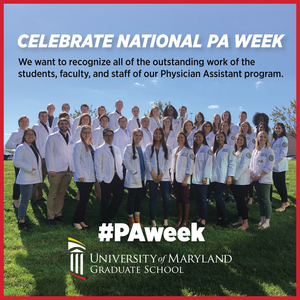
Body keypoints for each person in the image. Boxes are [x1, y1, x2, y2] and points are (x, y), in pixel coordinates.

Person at [45, 118, 74, 225]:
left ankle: (58, 214)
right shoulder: (52, 137)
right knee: (53, 193)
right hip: (56, 170)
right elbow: (48, 154)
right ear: (58, 125)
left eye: (66, 124)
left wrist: (73, 169)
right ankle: (50, 217)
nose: (64, 125)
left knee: (62, 193)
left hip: (67, 169)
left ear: (68, 125)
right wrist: (51, 169)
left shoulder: (70, 138)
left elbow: (71, 154)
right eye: (62, 124)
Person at [13, 128, 42, 231]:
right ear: (24, 136)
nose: (31, 136)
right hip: (26, 178)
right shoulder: (21, 147)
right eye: (28, 134)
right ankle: (21, 221)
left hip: (33, 178)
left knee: (26, 199)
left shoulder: (33, 147)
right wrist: (30, 169)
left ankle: (23, 218)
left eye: (32, 134)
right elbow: (17, 162)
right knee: (24, 200)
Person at [94, 128, 124, 224]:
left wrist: (121, 175)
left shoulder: (117, 149)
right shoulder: (99, 149)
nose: (109, 137)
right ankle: (104, 219)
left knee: (118, 198)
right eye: (107, 135)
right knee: (105, 200)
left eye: (111, 135)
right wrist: (100, 179)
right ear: (103, 137)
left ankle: (110, 214)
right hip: (106, 178)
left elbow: (119, 163)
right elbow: (97, 165)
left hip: (118, 177)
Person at [144, 127, 172, 228]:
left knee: (165, 198)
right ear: (153, 134)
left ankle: (165, 219)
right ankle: (153, 220)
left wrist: (161, 174)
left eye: (160, 133)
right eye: (156, 133)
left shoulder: (167, 147)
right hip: (152, 177)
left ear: (162, 135)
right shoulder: (148, 147)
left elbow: (169, 162)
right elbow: (146, 161)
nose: (158, 135)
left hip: (163, 177)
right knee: (152, 198)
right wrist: (153, 173)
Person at [249, 131, 275, 229]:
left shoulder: (269, 151)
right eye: (260, 136)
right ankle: (262, 219)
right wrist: (252, 174)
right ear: (257, 138)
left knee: (266, 200)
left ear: (266, 139)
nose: (262, 138)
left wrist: (260, 175)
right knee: (260, 200)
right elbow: (251, 165)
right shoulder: (255, 151)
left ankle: (267, 221)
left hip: (264, 179)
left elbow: (269, 165)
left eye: (264, 137)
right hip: (255, 179)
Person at [211, 131, 236, 228]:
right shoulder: (214, 149)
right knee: (217, 199)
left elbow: (232, 163)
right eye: (218, 137)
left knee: (218, 198)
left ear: (224, 138)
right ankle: (220, 218)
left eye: (221, 137)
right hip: (214, 177)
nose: (219, 138)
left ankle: (225, 218)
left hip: (222, 177)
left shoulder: (229, 148)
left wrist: (230, 176)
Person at [73, 125, 95, 230]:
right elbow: (76, 161)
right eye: (84, 132)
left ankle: (81, 220)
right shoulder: (79, 145)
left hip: (90, 177)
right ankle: (76, 221)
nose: (87, 134)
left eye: (88, 132)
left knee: (85, 200)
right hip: (83, 178)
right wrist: (80, 175)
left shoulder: (90, 145)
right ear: (81, 133)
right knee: (82, 200)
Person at [5, 115, 29, 208]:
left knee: (26, 179)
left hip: (28, 158)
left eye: (26, 121)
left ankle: (25, 197)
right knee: (18, 179)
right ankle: (16, 199)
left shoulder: (29, 132)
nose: (24, 123)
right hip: (19, 158)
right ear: (19, 123)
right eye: (22, 121)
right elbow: (7, 145)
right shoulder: (16, 133)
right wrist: (18, 145)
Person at [171, 132, 194, 227]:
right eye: (178, 137)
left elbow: (190, 165)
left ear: (185, 139)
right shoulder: (174, 150)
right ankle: (180, 218)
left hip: (184, 178)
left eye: (182, 137)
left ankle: (185, 220)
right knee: (178, 198)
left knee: (185, 198)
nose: (180, 139)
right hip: (175, 177)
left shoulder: (189, 151)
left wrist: (186, 178)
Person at [124, 129, 146, 227]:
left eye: (140, 135)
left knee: (138, 199)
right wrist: (135, 172)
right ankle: (130, 220)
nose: (138, 137)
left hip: (142, 178)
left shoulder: (143, 148)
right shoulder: (129, 148)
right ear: (133, 136)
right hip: (133, 177)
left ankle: (137, 220)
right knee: (131, 199)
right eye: (136, 135)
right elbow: (126, 162)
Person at [191, 130, 212, 227]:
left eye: (199, 137)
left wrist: (206, 176)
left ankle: (204, 219)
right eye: (196, 137)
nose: (197, 138)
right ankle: (199, 216)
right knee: (197, 199)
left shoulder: (207, 149)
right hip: (194, 178)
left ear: (203, 138)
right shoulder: (193, 149)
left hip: (202, 178)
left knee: (203, 199)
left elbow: (209, 164)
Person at [231, 133, 251, 230]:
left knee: (241, 202)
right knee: (238, 202)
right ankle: (240, 219)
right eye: (237, 139)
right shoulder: (235, 151)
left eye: (241, 139)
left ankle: (246, 223)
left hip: (241, 181)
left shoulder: (246, 151)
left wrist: (235, 177)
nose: (239, 141)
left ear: (244, 141)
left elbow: (243, 166)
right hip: (234, 181)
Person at [31, 110, 50, 205]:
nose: (44, 118)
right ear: (39, 117)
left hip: (47, 156)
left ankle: (39, 195)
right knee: (37, 177)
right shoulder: (35, 127)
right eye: (42, 116)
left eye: (46, 116)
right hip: (39, 155)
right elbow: (34, 141)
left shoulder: (49, 128)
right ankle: (34, 197)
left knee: (42, 177)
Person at [271, 123, 290, 212]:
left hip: (280, 167)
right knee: (277, 184)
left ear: (282, 129)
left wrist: (272, 162)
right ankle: (285, 202)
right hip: (274, 167)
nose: (277, 130)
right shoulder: (274, 140)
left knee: (281, 185)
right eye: (276, 128)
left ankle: (284, 203)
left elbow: (283, 154)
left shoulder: (284, 139)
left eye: (279, 128)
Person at [239, 121, 255, 204]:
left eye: (246, 126)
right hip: (240, 158)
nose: (244, 127)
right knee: (243, 177)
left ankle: (251, 197)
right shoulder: (240, 136)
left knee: (249, 179)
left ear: (248, 127)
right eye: (243, 126)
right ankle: (245, 196)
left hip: (249, 158)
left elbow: (251, 148)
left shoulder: (251, 136)